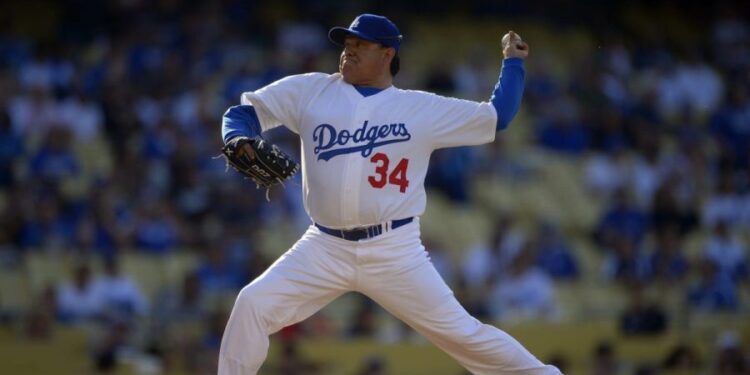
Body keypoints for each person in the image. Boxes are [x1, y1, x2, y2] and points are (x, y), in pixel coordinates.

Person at [218, 13, 560, 374]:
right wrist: (236, 137)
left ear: (387, 54)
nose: (348, 51)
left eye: (360, 44)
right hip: (323, 246)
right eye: (346, 44)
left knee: (463, 335)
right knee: (251, 304)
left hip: (393, 249)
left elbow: (498, 116)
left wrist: (513, 62)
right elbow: (244, 112)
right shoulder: (311, 91)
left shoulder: (419, 108)